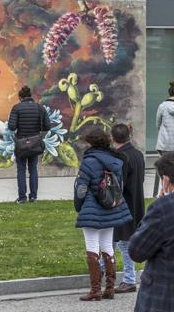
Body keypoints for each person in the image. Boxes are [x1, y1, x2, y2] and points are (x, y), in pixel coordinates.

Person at [73, 128, 132, 301]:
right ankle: (110, 288)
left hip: (93, 208)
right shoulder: (116, 159)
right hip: (112, 207)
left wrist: (79, 206)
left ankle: (95, 290)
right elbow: (119, 185)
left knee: (92, 248)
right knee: (108, 247)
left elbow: (81, 189)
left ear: (91, 143)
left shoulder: (89, 161)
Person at [129, 152, 174, 312]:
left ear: (166, 180)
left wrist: (159, 201)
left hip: (163, 297)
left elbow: (137, 251)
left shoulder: (163, 208)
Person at [111, 124, 145, 293]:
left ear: (113, 138)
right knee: (120, 242)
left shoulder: (121, 156)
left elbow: (118, 184)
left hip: (123, 205)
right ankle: (108, 273)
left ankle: (129, 279)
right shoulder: (138, 154)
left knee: (123, 244)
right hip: (136, 202)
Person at [8, 86, 51, 204]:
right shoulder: (39, 108)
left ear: (20, 97)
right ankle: (33, 197)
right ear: (30, 96)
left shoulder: (16, 108)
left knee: (21, 170)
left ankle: (22, 198)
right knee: (33, 170)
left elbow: (11, 127)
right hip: (35, 143)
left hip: (21, 144)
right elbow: (47, 126)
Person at [153, 80, 174, 197]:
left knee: (164, 170)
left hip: (165, 143)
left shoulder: (162, 106)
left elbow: (158, 124)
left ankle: (162, 194)